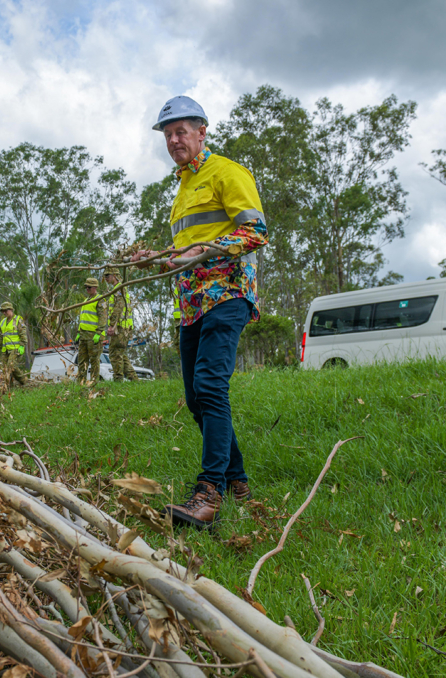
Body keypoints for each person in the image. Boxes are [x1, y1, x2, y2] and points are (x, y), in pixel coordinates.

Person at [130, 95, 269, 530]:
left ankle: (208, 494)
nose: (174, 140)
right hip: (190, 304)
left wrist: (204, 251)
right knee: (195, 398)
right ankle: (239, 483)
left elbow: (255, 231)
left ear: (202, 131)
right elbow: (183, 255)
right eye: (168, 135)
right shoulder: (182, 189)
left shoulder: (227, 172)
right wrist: (156, 258)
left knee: (210, 385)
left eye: (181, 131)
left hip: (227, 293)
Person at [103, 269, 137, 382]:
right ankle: (134, 379)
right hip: (123, 327)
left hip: (121, 327)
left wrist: (112, 325)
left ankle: (118, 379)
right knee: (120, 353)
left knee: (114, 352)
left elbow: (118, 308)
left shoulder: (119, 289)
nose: (106, 278)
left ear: (115, 275)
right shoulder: (119, 288)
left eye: (107, 275)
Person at [75, 277, 107, 383]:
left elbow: (103, 317)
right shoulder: (86, 300)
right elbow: (83, 318)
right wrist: (79, 333)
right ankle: (81, 382)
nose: (87, 289)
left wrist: (99, 333)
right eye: (86, 287)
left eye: (89, 287)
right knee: (82, 360)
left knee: (94, 360)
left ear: (95, 287)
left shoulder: (100, 300)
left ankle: (93, 383)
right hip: (83, 335)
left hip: (94, 336)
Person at [0, 301, 29, 387]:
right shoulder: (2, 322)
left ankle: (24, 381)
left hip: (16, 349)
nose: (4, 313)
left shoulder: (18, 320)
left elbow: (23, 335)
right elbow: (0, 337)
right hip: (5, 350)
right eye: (2, 311)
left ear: (11, 310)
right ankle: (9, 387)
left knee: (11, 366)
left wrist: (22, 346)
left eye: (6, 311)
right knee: (5, 369)